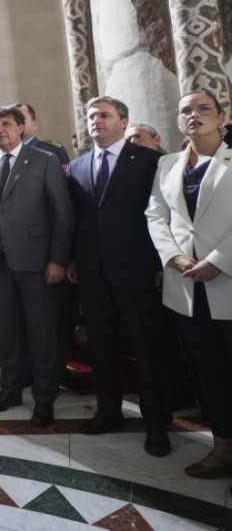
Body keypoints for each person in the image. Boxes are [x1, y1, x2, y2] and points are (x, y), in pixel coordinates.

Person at [68, 96, 173, 457]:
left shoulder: (148, 160)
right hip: (93, 271)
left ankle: (157, 424)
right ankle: (108, 412)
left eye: (104, 115)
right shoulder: (78, 166)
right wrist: (73, 259)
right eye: (91, 116)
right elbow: (79, 219)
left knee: (147, 348)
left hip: (137, 268)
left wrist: (161, 264)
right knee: (101, 346)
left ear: (123, 122)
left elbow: (161, 214)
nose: (96, 121)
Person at [0, 105, 74, 426]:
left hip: (36, 262)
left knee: (41, 332)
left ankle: (44, 397)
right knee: (6, 331)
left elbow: (62, 214)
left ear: (21, 128)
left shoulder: (44, 161)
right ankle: (10, 389)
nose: (0, 130)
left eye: (7, 124)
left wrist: (58, 260)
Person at [146, 89, 232, 482]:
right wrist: (173, 256)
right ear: (179, 121)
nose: (194, 114)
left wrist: (218, 261)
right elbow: (155, 215)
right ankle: (222, 449)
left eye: (203, 108)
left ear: (220, 116)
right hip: (187, 285)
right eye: (186, 111)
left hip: (226, 277)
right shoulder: (167, 164)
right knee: (210, 371)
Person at [16, 102, 71, 168]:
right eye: (13, 120)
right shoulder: (7, 154)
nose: (17, 123)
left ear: (35, 125)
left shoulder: (52, 151)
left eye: (21, 118)